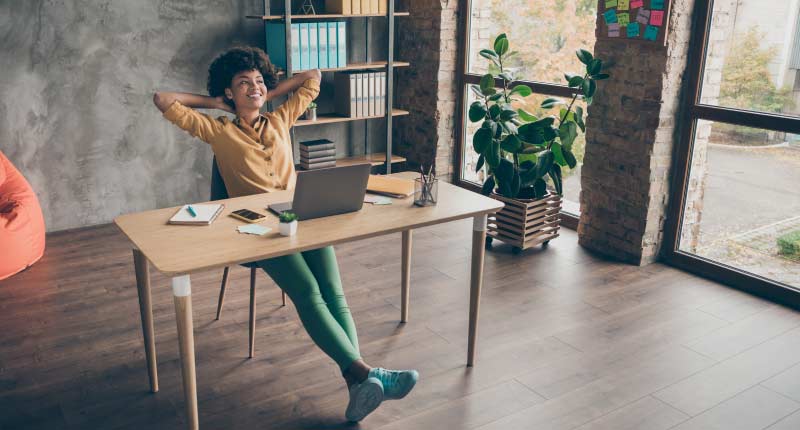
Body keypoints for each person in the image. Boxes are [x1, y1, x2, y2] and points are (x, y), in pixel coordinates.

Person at [153, 46, 418, 422]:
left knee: (334, 294)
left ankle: (359, 380)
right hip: (260, 230)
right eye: (243, 83)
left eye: (258, 81)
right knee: (309, 292)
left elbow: (313, 78)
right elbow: (163, 99)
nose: (253, 87)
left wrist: (267, 91)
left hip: (303, 215)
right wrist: (215, 102)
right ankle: (365, 376)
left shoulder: (279, 120)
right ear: (228, 93)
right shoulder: (217, 131)